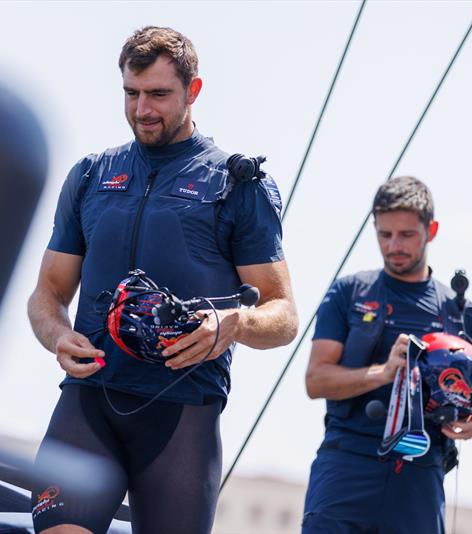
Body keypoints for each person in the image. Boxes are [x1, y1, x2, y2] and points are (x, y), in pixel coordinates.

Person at [27, 26, 298, 534]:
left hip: (182, 412)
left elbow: (284, 316)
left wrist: (233, 323)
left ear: (193, 91)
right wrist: (57, 335)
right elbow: (48, 293)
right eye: (131, 93)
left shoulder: (240, 186)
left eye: (158, 94)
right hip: (90, 397)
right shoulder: (90, 175)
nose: (142, 109)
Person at [301, 176, 472, 533]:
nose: (393, 246)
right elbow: (316, 381)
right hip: (347, 464)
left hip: (421, 475)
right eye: (384, 235)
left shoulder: (460, 312)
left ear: (431, 230)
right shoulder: (349, 292)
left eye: (406, 235)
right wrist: (384, 372)